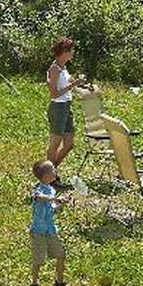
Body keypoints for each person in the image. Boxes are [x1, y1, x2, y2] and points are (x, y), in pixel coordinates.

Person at [28, 159, 74, 286]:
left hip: (51, 230)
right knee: (38, 259)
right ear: (47, 175)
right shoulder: (38, 188)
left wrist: (61, 203)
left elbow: (52, 209)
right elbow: (38, 197)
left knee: (61, 254)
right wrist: (53, 198)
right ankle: (34, 284)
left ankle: (59, 281)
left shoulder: (52, 189)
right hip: (38, 231)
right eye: (53, 169)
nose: (56, 171)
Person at [45, 37, 85, 180]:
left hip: (67, 106)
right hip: (58, 108)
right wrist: (73, 85)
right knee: (55, 144)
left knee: (69, 144)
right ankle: (49, 177)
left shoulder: (64, 67)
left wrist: (80, 85)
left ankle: (50, 171)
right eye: (71, 50)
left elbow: (68, 84)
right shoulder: (55, 69)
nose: (73, 53)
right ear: (64, 52)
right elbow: (54, 94)